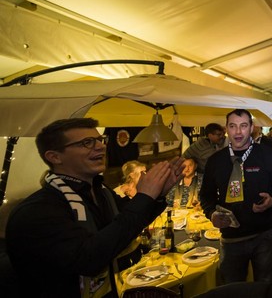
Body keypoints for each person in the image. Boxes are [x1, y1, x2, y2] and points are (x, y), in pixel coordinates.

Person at [6, 118, 185, 297]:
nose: (101, 147)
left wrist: (158, 195)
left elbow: (129, 223)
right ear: (55, 157)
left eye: (101, 140)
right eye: (87, 143)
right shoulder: (38, 211)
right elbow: (90, 259)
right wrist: (144, 197)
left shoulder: (101, 192)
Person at [199, 109, 272, 297]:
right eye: (233, 126)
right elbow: (205, 196)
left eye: (243, 126)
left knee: (266, 287)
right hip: (231, 238)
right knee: (232, 289)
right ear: (226, 129)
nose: (238, 132)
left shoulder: (266, 155)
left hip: (264, 235)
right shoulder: (215, 161)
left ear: (251, 128)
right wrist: (212, 213)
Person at [183, 122, 226, 191]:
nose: (222, 136)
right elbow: (219, 157)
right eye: (219, 135)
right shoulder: (203, 145)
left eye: (223, 134)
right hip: (191, 175)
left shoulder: (209, 142)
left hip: (200, 173)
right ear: (210, 135)